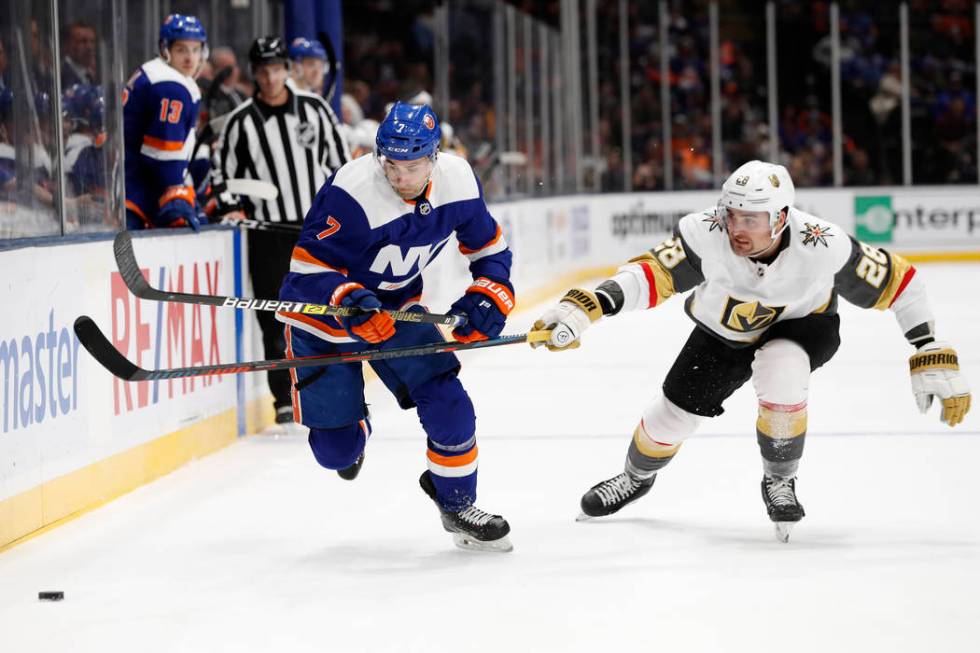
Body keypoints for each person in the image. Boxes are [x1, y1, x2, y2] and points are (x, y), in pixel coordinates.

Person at [533, 160, 972, 542]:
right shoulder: (704, 231)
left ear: (781, 217)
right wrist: (590, 305)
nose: (738, 229)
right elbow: (650, 274)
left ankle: (780, 480)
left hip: (804, 326)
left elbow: (901, 281)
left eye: (752, 219)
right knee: (669, 418)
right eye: (733, 215)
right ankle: (635, 478)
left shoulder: (823, 244)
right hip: (721, 332)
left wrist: (927, 344)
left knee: (782, 367)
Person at [275, 102, 516, 552]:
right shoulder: (352, 190)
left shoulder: (459, 181)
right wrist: (349, 300)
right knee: (336, 453)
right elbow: (306, 268)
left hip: (397, 313)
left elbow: (490, 250)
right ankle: (353, 424)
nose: (400, 176)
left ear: (434, 156)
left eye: (412, 165)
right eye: (391, 163)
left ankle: (458, 503)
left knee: (449, 403)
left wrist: (489, 293)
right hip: (325, 318)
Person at [211, 36, 349, 431]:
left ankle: (331, 391)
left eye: (276, 69)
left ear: (287, 69)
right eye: (262, 70)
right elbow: (222, 176)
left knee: (325, 314)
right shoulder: (241, 122)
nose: (270, 78)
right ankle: (284, 399)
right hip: (267, 236)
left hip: (314, 234)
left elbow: (341, 166)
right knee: (274, 318)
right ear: (253, 74)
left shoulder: (316, 110)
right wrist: (230, 205)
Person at [123, 14, 207, 231]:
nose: (190, 58)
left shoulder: (157, 72)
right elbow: (163, 156)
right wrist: (175, 192)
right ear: (165, 49)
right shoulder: (170, 87)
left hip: (128, 186)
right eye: (181, 49)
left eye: (195, 49)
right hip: (135, 195)